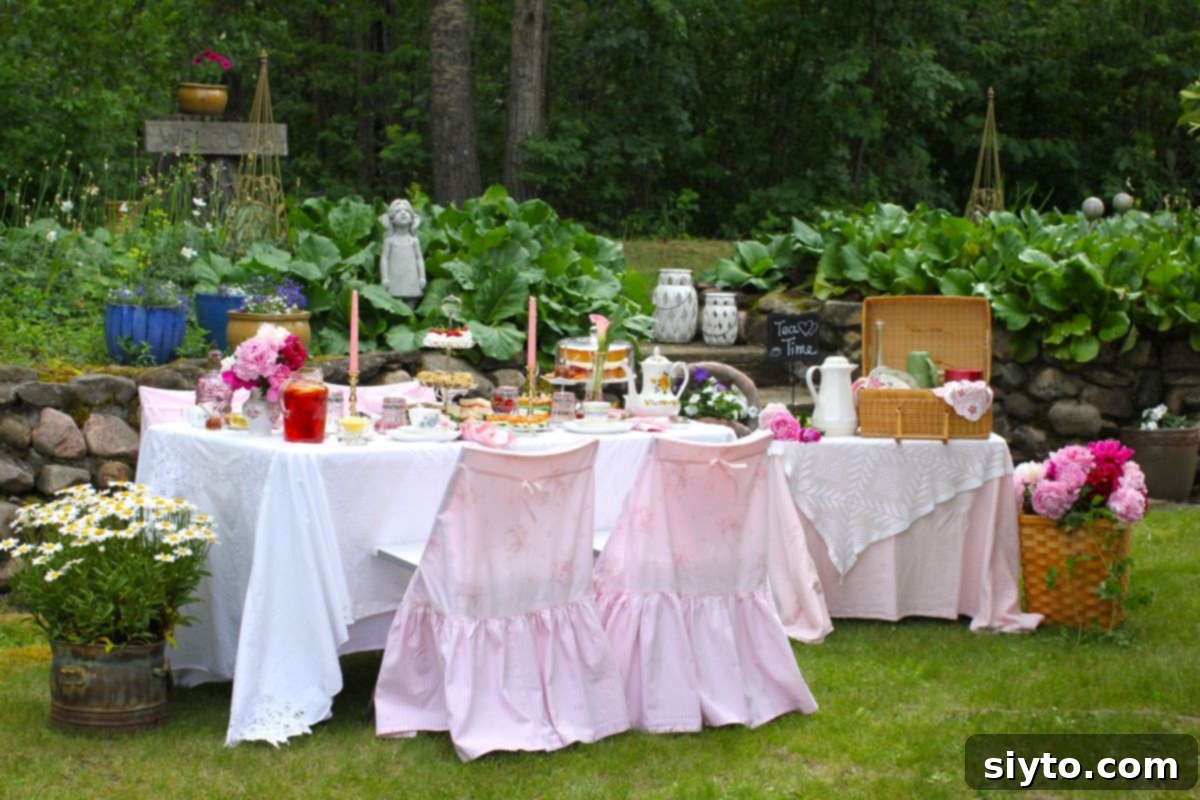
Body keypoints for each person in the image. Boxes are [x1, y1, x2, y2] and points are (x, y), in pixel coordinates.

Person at [379, 199, 426, 302]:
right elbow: (384, 258)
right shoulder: (389, 240)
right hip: (395, 279)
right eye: (398, 211)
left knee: (411, 303)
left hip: (411, 279)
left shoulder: (414, 240)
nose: (403, 213)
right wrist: (385, 278)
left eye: (406, 211)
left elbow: (419, 259)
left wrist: (422, 277)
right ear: (391, 219)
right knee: (394, 305)